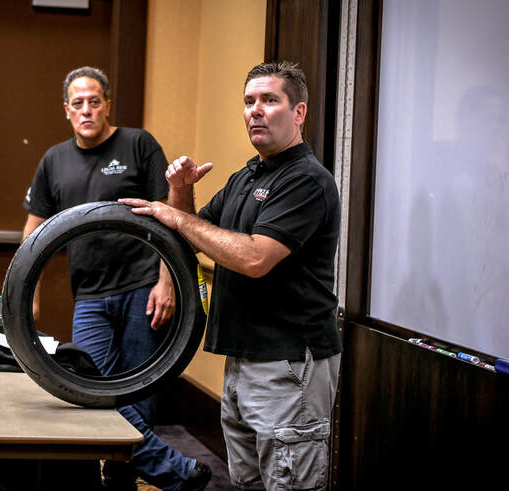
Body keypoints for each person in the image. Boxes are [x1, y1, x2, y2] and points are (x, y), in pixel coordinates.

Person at [121, 61, 342, 490]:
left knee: (289, 483)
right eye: (249, 101)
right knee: (247, 481)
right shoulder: (247, 177)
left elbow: (256, 258)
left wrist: (176, 216)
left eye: (270, 100)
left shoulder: (306, 181)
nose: (255, 110)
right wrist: (181, 193)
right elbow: (190, 236)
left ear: (299, 112)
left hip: (288, 363)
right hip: (242, 360)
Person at [22, 66, 212, 491]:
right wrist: (27, 294)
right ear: (66, 110)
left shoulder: (138, 144)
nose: (86, 110)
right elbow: (34, 233)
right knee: (93, 391)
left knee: (139, 393)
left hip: (143, 287)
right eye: (78, 103)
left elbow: (169, 217)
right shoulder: (54, 160)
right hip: (90, 294)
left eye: (94, 101)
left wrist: (167, 282)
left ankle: (120, 482)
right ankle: (175, 472)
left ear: (107, 104)